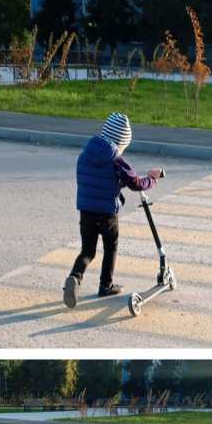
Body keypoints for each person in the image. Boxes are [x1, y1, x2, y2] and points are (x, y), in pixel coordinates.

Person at [63, 112, 163, 308]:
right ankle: (106, 285)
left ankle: (75, 277)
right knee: (111, 247)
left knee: (88, 250)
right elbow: (136, 183)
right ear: (121, 140)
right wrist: (153, 178)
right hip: (107, 213)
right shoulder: (117, 159)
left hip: (86, 211)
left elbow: (95, 179)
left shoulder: (87, 153)